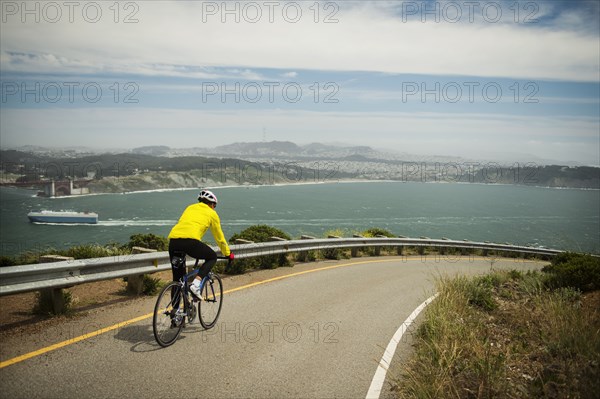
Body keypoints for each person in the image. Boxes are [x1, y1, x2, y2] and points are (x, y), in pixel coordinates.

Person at [167, 189, 234, 298]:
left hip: (174, 242)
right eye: (214, 206)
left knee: (178, 279)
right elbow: (219, 238)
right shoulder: (212, 213)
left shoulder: (189, 207)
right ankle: (196, 284)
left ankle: (175, 312)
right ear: (211, 204)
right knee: (212, 257)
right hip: (190, 242)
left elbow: (188, 224)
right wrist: (227, 253)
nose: (214, 208)